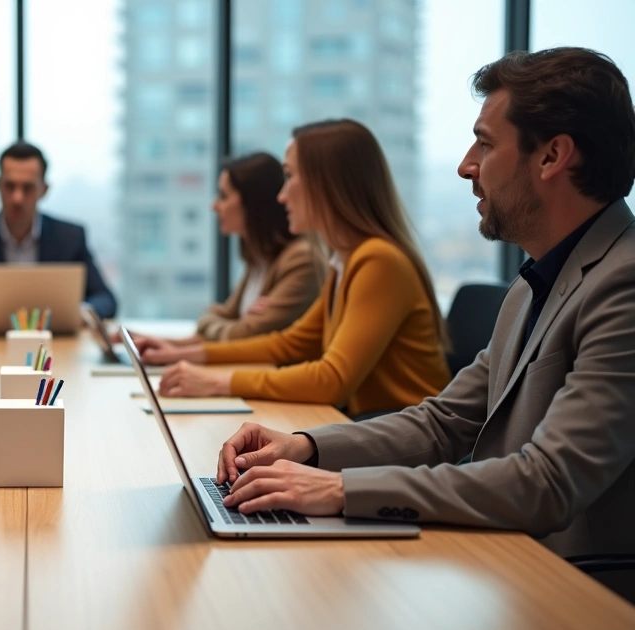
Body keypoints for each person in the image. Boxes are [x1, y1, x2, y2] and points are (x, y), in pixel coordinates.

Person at [213, 48, 635, 569]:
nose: (466, 166)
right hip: (507, 558)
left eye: (484, 142)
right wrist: (304, 448)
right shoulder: (531, 285)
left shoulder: (624, 285)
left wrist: (341, 490)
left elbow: (548, 483)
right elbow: (442, 422)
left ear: (552, 156)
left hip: (574, 588)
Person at [138, 120, 451, 418]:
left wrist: (217, 382)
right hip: (373, 426)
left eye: (289, 176)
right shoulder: (347, 258)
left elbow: (332, 379)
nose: (281, 195)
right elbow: (288, 343)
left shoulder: (378, 260)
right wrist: (188, 355)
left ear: (326, 185)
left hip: (405, 436)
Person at [128, 152, 323, 349]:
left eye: (223, 196)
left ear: (253, 202)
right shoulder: (259, 258)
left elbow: (243, 336)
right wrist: (159, 343)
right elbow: (223, 320)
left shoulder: (300, 260)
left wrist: (227, 324)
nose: (214, 206)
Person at [0, 141, 117, 328]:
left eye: (27, 188)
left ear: (44, 190)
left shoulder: (70, 237)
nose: (17, 198)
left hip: (54, 347)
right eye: (10, 186)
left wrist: (83, 314)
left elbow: (106, 299)